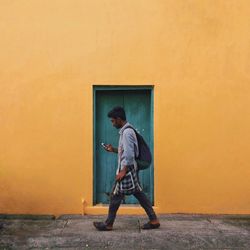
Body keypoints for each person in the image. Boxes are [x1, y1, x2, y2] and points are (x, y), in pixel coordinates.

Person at [93, 106, 160, 231]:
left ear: (119, 119)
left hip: (127, 169)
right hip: (129, 168)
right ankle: (153, 219)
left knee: (116, 195)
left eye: (113, 121)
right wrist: (113, 149)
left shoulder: (127, 132)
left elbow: (129, 155)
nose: (112, 124)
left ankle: (108, 224)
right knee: (138, 194)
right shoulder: (126, 131)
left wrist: (123, 171)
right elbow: (126, 151)